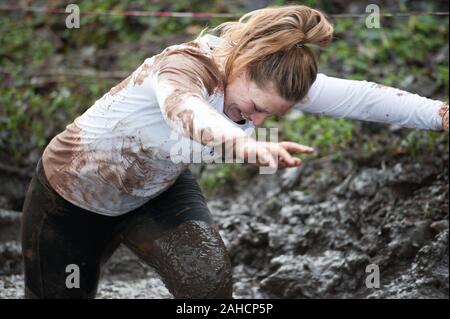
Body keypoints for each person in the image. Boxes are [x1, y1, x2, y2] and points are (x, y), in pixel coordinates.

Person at [21, 4, 448, 299]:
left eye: (268, 116)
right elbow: (185, 112)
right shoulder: (181, 67)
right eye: (257, 109)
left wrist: (441, 114)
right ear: (240, 64)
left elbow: (362, 99)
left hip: (155, 193)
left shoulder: (273, 75)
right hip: (68, 198)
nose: (258, 120)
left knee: (208, 285)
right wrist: (242, 142)